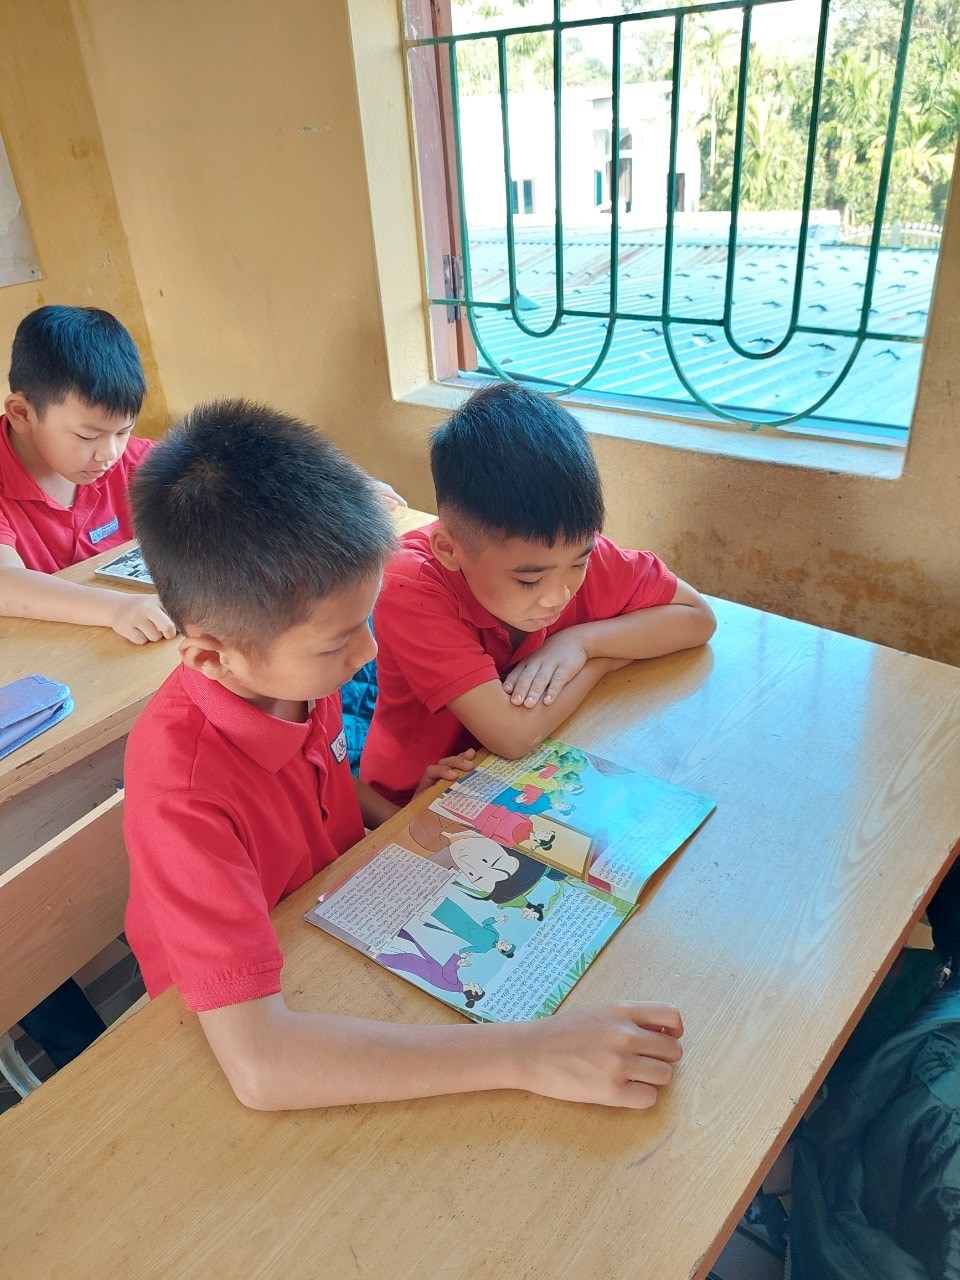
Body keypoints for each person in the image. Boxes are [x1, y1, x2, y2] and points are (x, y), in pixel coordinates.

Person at [123, 399, 684, 1111]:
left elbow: (321, 782)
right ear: (211, 657)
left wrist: (397, 811)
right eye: (339, 642)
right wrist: (529, 1052)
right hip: (226, 1019)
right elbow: (262, 1068)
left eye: (364, 621)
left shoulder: (288, 677)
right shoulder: (181, 789)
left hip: (334, 915)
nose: (367, 653)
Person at [360, 381, 716, 805]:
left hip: (532, 767)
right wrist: (602, 662)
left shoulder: (565, 552)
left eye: (579, 564)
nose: (558, 595)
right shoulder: (409, 583)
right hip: (415, 797)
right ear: (449, 550)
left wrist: (581, 642)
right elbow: (512, 735)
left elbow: (697, 618)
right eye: (529, 581)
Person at [0, 305, 177, 643]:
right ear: (22, 413)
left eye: (123, 431)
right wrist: (115, 609)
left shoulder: (137, 462)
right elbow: (3, 582)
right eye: (87, 436)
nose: (109, 454)